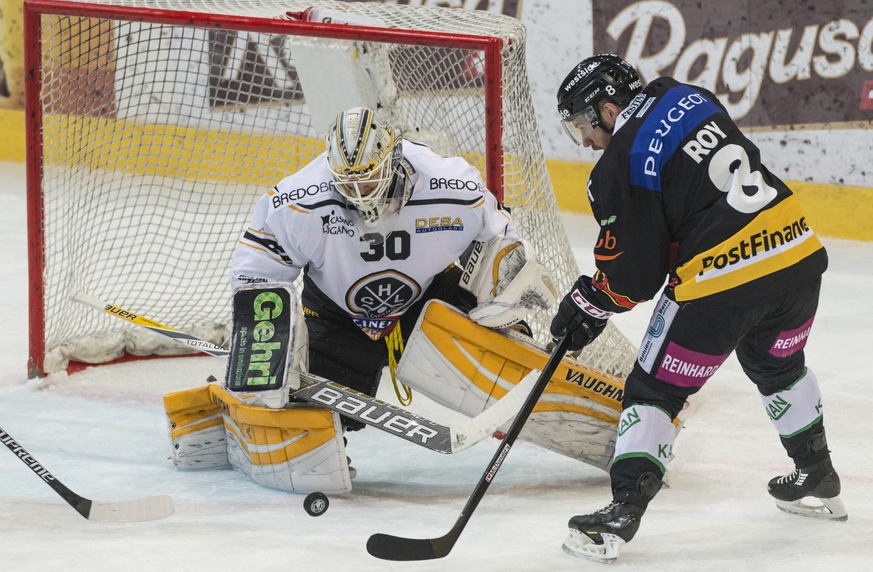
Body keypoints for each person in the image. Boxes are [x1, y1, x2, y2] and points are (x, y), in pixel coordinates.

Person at [549, 54, 846, 564]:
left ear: (607, 105)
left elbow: (635, 276)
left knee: (654, 389)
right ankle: (816, 470)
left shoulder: (616, 164)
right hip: (797, 256)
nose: (584, 141)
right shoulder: (688, 96)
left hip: (721, 284)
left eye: (582, 123)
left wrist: (589, 300)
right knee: (778, 366)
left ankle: (622, 513)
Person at [230, 106, 555, 431]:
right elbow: (257, 275)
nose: (359, 191)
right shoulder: (296, 201)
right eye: (347, 180)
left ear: (392, 158)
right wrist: (262, 346)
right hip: (337, 319)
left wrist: (509, 303)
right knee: (313, 418)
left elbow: (501, 243)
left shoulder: (453, 185)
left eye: (368, 176)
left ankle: (522, 367)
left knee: (490, 292)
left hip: (429, 305)